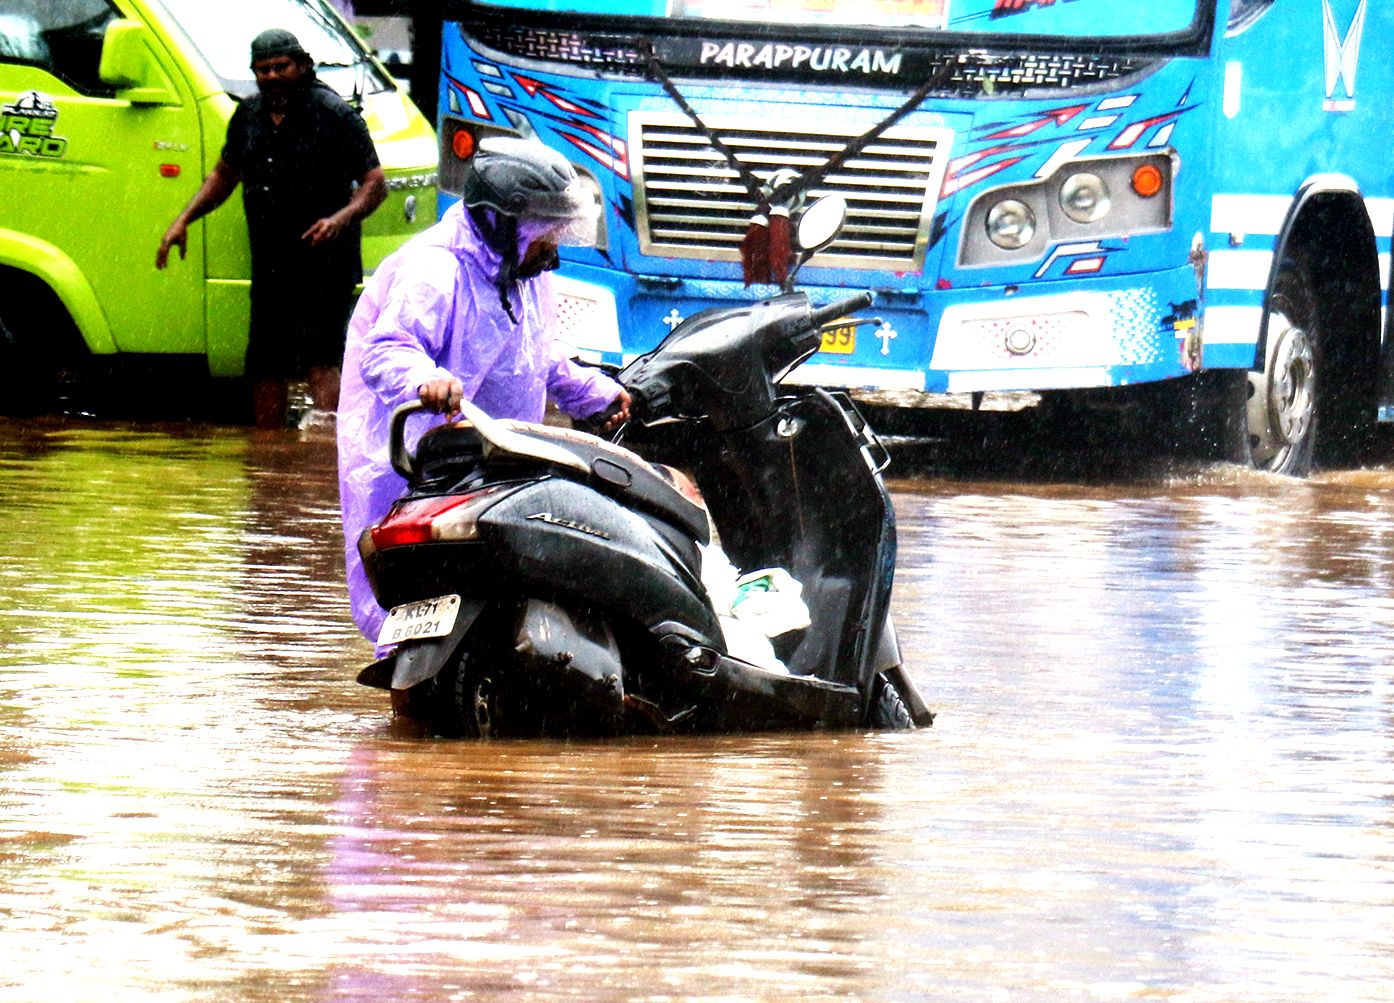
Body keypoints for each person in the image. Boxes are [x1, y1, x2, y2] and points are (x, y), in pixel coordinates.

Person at [337, 137, 631, 644]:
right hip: (417, 463)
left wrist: (592, 392)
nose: (554, 250)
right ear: (503, 222)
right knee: (415, 622)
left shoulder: (525, 273)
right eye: (546, 234)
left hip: (491, 458)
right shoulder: (434, 271)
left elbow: (535, 353)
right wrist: (423, 380)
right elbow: (385, 351)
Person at [156, 28, 386, 428]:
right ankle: (268, 455)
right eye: (263, 70)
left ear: (302, 66)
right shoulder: (248, 116)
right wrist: (183, 220)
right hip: (271, 263)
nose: (272, 76)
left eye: (281, 67)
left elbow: (375, 184)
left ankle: (325, 449)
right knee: (264, 362)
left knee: (321, 358)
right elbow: (224, 174)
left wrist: (339, 219)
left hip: (324, 261)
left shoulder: (334, 114)